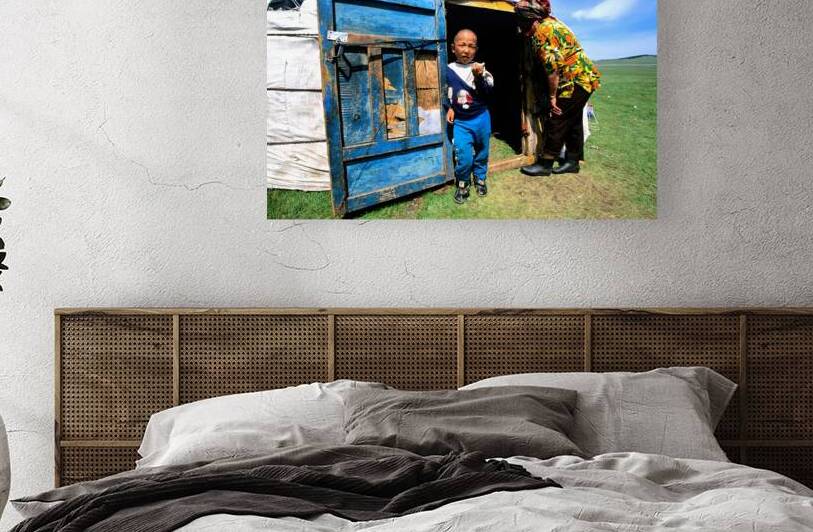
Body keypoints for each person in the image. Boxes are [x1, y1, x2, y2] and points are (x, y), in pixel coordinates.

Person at [516, 0, 601, 177]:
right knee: (574, 119)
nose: (522, 30)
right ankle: (573, 161)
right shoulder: (551, 22)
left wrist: (553, 96)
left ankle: (545, 163)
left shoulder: (542, 32)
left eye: (524, 25)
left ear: (532, 20)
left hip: (575, 80)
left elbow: (552, 69)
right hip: (585, 76)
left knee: (558, 117)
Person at [445, 29, 495, 204]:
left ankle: (480, 178)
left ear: (476, 49)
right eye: (462, 45)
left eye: (471, 46)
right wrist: (450, 107)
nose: (466, 50)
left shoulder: (480, 69)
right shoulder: (447, 70)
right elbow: (445, 92)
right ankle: (463, 183)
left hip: (481, 118)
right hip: (461, 122)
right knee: (463, 155)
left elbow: (488, 92)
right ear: (453, 48)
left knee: (482, 151)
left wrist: (479, 77)